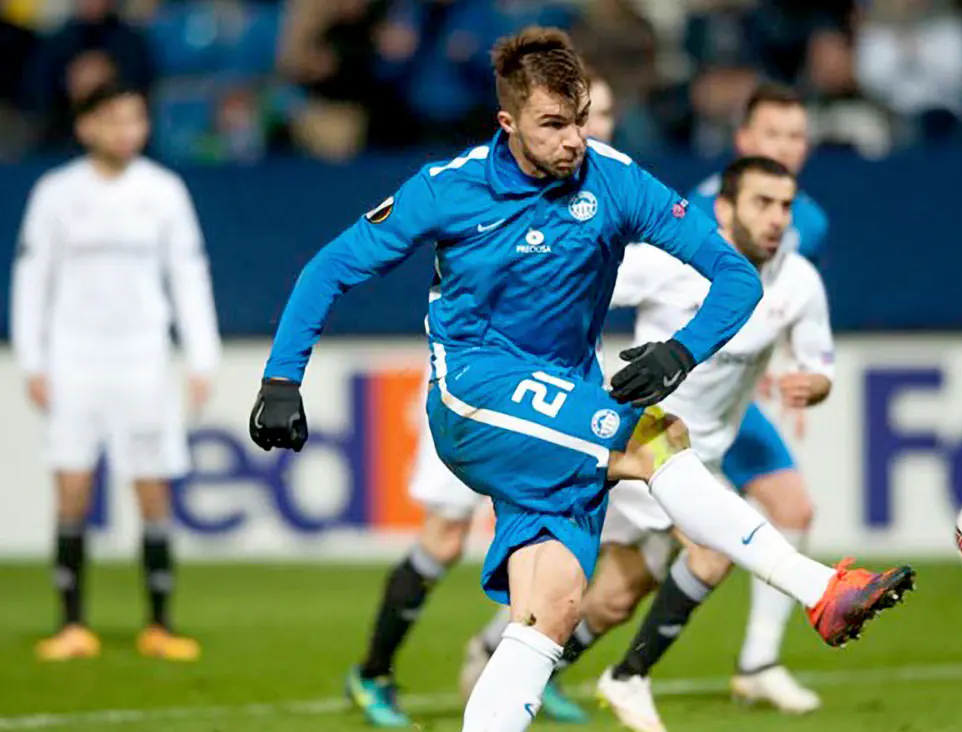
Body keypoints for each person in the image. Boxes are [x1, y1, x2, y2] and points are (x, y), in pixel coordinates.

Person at [248, 27, 913, 732]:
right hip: (474, 393)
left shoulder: (616, 181)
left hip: (562, 398)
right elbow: (331, 267)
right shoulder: (448, 190)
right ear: (508, 124)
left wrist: (681, 352)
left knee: (553, 608)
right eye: (554, 124)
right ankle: (820, 589)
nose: (573, 139)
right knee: (657, 439)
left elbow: (734, 275)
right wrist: (282, 379)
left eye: (581, 118)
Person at [341, 67, 618, 729]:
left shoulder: (605, 194)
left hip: (554, 402)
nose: (592, 130)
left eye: (599, 117)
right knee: (442, 537)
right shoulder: (490, 191)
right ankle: (373, 671)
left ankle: (519, 662)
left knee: (560, 548)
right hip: (476, 396)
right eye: (582, 116)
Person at [543, 156, 837, 732]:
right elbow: (576, 288)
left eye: (786, 206)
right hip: (639, 439)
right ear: (724, 208)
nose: (778, 218)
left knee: (614, 600)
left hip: (702, 453)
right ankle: (627, 678)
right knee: (714, 551)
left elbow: (820, 360)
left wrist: (816, 384)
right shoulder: (673, 262)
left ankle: (531, 670)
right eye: (762, 203)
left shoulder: (800, 281)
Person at [11, 82, 220, 662]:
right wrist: (32, 358)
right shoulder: (56, 193)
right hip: (74, 357)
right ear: (87, 128)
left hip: (143, 358)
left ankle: (159, 622)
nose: (127, 131)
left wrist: (200, 355)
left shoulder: (163, 191)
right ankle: (72, 623)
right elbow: (33, 280)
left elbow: (188, 276)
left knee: (152, 488)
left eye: (135, 120)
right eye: (114, 121)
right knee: (72, 486)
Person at [689, 82, 835, 709]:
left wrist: (803, 373)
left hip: (733, 408)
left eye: (797, 136)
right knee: (626, 568)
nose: (787, 147)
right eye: (773, 135)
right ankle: (514, 643)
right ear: (743, 142)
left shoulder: (812, 222)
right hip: (675, 409)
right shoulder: (693, 214)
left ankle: (758, 662)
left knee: (793, 508)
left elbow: (781, 304)